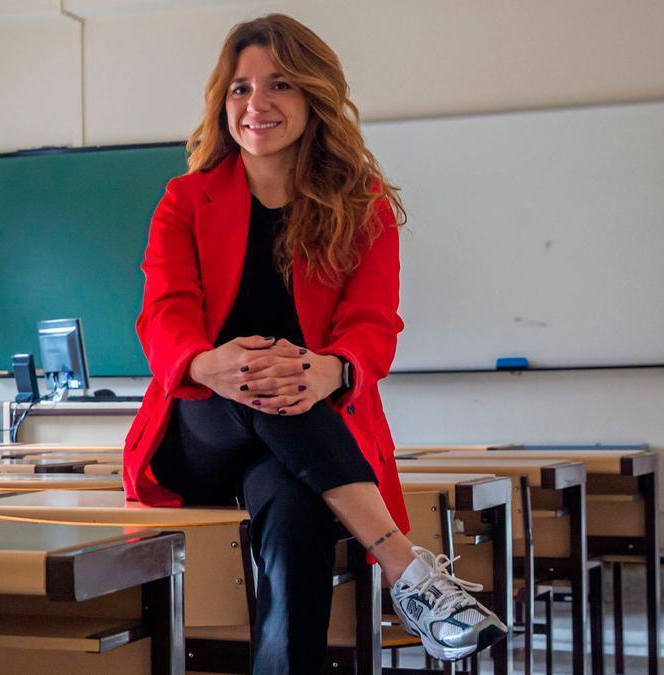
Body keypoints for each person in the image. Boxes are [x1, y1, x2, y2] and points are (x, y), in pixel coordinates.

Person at [122, 13, 507, 672]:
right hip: (202, 427)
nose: (255, 104)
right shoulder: (185, 200)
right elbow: (163, 313)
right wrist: (216, 363)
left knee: (294, 513)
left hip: (308, 439)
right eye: (240, 88)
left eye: (279, 85)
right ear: (224, 102)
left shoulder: (362, 205)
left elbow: (373, 325)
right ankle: (406, 569)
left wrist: (328, 369)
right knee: (255, 380)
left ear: (313, 96)